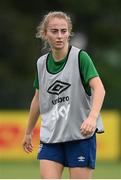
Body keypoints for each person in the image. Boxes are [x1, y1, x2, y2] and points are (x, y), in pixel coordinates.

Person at [22, 11, 105, 179]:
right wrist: (28, 132)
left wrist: (92, 117)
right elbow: (38, 99)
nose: (60, 36)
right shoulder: (41, 63)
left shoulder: (81, 57)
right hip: (51, 137)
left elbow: (99, 88)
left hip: (80, 136)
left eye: (64, 31)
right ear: (45, 34)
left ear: (69, 33)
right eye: (54, 31)